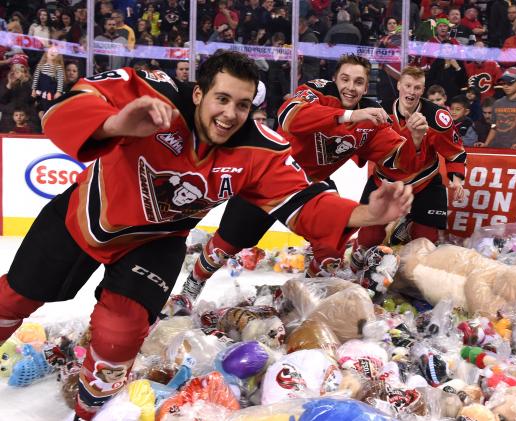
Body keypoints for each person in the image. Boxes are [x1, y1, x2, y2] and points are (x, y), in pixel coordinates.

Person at [0, 50, 412, 421]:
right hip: (83, 218)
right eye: (222, 99)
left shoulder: (260, 149)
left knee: (119, 337)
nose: (231, 114)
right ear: (198, 94)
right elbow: (72, 102)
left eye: (243, 105)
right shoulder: (155, 94)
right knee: (12, 299)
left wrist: (367, 213)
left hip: (156, 242)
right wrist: (114, 123)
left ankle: (89, 415)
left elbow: (304, 201)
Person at [177, 54, 427, 302]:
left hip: (311, 184)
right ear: (334, 79)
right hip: (270, 177)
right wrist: (349, 116)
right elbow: (289, 117)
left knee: (331, 247)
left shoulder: (371, 118)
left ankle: (305, 296)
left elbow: (399, 161)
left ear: (365, 86)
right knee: (227, 243)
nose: (351, 87)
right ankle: (194, 282)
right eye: (345, 79)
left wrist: (415, 138)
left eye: (359, 82)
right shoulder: (316, 90)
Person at [352, 66, 465, 269]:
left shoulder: (437, 116)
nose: (412, 92)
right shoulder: (379, 112)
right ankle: (360, 276)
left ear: (423, 90)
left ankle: (409, 281)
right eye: (408, 86)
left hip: (424, 183)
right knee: (367, 238)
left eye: (417, 88)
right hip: (385, 182)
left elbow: (455, 151)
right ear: (399, 85)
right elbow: (358, 144)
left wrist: (457, 179)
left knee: (424, 246)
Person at [31, 45, 65, 119]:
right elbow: (36, 79)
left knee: (49, 106)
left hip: (51, 90)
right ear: (46, 52)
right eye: (51, 50)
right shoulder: (40, 66)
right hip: (42, 89)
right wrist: (33, 89)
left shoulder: (58, 67)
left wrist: (59, 91)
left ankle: (48, 118)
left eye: (55, 51)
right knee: (41, 106)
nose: (53, 52)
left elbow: (60, 80)